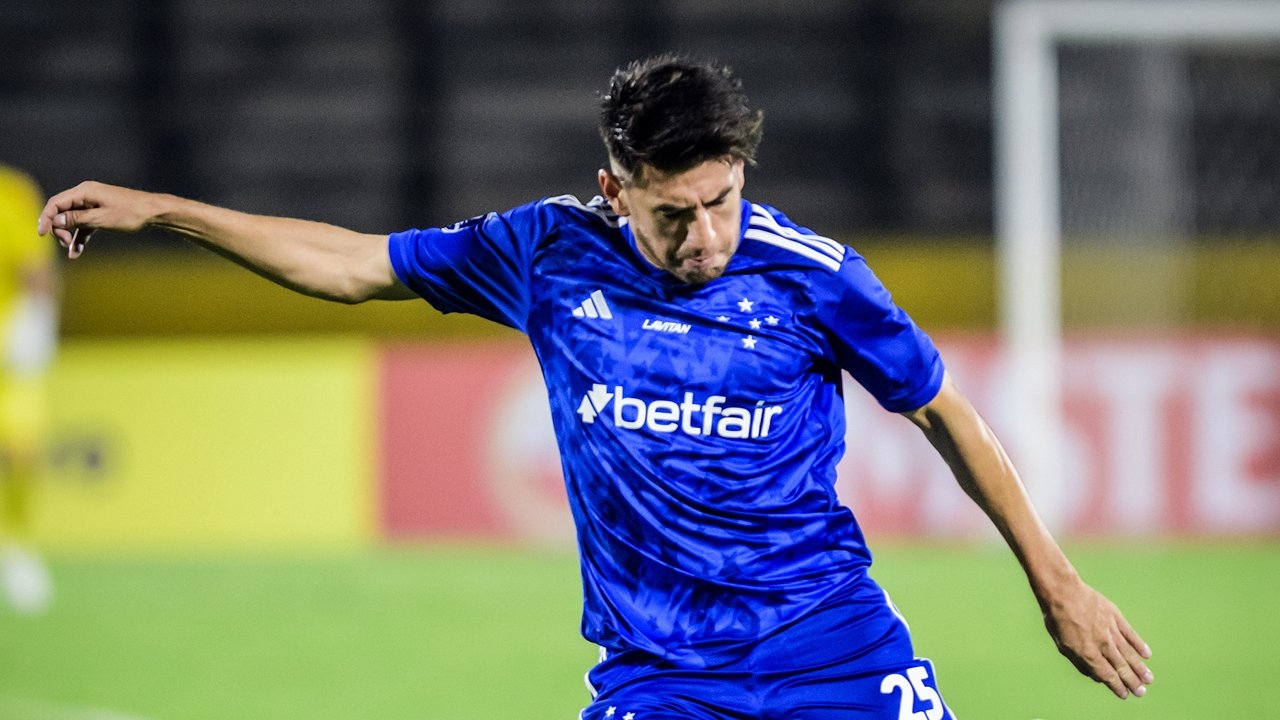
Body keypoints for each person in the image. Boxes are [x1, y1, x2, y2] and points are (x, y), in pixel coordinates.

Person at [38, 55, 1152, 717]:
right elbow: (350, 265)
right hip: (659, 674)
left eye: (721, 201)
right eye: (674, 213)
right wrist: (166, 211)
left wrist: (1055, 583)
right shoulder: (545, 254)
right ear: (615, 191)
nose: (706, 235)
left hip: (830, 644)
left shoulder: (813, 278)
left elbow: (942, 409)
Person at [1, 162, 58, 614]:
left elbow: (35, 267)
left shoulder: (11, 193)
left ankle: (16, 547)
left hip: (7, 349)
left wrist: (38, 323)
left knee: (21, 451)